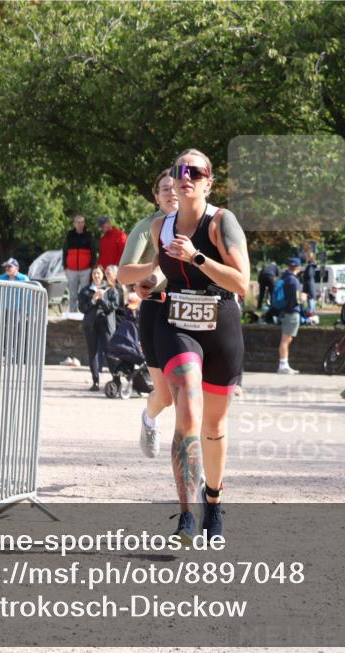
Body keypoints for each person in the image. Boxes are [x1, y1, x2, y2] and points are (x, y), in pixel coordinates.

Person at [118, 148, 249, 541]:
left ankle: (214, 500)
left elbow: (242, 283)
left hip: (221, 323)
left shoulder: (222, 223)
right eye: (180, 170)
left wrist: (197, 258)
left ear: (209, 182)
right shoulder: (160, 226)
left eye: (195, 171)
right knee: (188, 411)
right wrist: (149, 284)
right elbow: (157, 273)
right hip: (177, 324)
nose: (186, 177)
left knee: (214, 426)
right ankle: (187, 515)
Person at [117, 168, 178, 458]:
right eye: (165, 189)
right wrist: (154, 266)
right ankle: (149, 418)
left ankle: (195, 463)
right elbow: (123, 274)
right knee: (165, 396)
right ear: (156, 196)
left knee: (194, 390)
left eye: (175, 187)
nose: (172, 193)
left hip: (190, 308)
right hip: (156, 307)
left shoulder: (196, 224)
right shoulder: (146, 227)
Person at [78, 266, 120, 391]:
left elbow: (112, 307)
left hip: (106, 324)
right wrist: (92, 300)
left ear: (103, 275)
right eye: (94, 273)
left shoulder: (111, 290)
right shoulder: (85, 291)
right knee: (93, 352)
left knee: (110, 351)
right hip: (90, 324)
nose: (96, 276)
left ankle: (116, 379)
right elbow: (82, 308)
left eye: (99, 273)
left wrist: (101, 299)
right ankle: (95, 381)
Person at [63, 214, 96, 314]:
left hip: (86, 270)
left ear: (84, 223)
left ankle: (85, 314)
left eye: (82, 222)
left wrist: (92, 267)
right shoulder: (69, 235)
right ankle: (72, 314)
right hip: (71, 269)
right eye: (78, 222)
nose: (80, 224)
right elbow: (65, 251)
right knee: (72, 294)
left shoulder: (89, 235)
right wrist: (65, 266)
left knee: (85, 293)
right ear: (74, 223)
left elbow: (93, 252)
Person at [277, 257, 303, 375]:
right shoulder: (294, 281)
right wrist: (302, 298)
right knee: (285, 340)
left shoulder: (285, 278)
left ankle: (284, 364)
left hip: (286, 311)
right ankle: (283, 366)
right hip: (292, 312)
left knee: (286, 339)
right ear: (298, 268)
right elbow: (296, 299)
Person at [302, 250, 318, 317]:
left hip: (309, 287)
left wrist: (303, 275)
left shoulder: (310, 266)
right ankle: (312, 315)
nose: (305, 257)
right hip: (310, 286)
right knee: (311, 301)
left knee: (310, 301)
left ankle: (311, 315)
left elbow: (309, 275)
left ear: (310, 257)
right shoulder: (311, 266)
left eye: (307, 256)